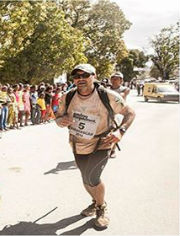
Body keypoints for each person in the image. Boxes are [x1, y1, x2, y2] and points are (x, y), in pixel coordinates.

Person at [55, 64, 136, 229]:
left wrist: (120, 132)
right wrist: (60, 121)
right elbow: (58, 115)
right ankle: (95, 201)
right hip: (78, 143)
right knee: (86, 177)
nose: (80, 79)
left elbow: (130, 113)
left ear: (94, 76)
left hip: (102, 142)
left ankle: (101, 208)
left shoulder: (107, 95)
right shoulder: (68, 96)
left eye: (85, 75)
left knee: (92, 176)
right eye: (76, 76)